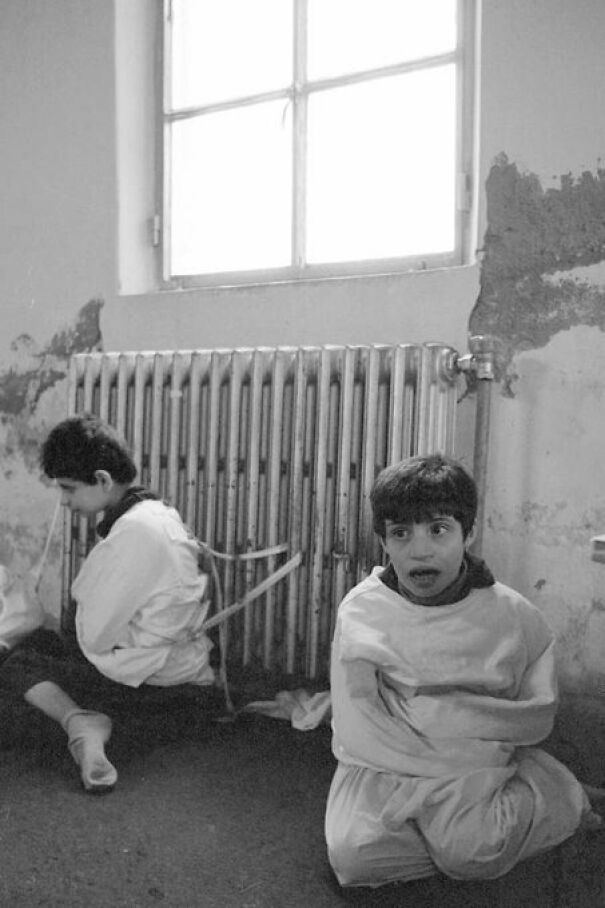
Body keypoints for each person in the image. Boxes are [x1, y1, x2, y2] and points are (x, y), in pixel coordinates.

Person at [325, 453, 603, 887]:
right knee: (356, 859)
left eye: (439, 530)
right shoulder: (362, 611)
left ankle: (558, 794)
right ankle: (461, 835)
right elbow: (358, 724)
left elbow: (534, 713)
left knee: (474, 852)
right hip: (385, 764)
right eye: (401, 533)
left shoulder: (513, 615)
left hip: (473, 768)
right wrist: (448, 738)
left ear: (468, 533)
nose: (420, 550)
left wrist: (452, 737)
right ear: (384, 542)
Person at [0, 414, 219, 794]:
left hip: (162, 696)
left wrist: (83, 608)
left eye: (69, 489)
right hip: (181, 683)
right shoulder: (155, 514)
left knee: (16, 670)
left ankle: (79, 721)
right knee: (38, 645)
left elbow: (94, 639)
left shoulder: (134, 533)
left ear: (102, 480)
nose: (64, 501)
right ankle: (83, 721)